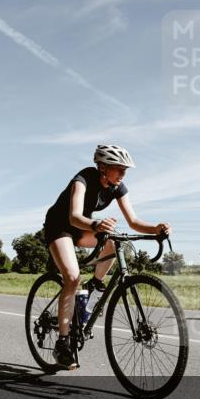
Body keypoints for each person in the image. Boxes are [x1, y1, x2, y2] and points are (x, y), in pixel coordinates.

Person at [42, 144, 170, 370]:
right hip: (61, 226)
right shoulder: (82, 179)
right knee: (72, 278)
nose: (123, 174)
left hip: (83, 228)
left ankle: (96, 284)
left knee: (114, 239)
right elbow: (73, 217)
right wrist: (96, 224)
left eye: (125, 170)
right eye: (119, 169)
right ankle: (62, 344)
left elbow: (133, 222)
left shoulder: (118, 188)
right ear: (102, 167)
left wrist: (156, 228)